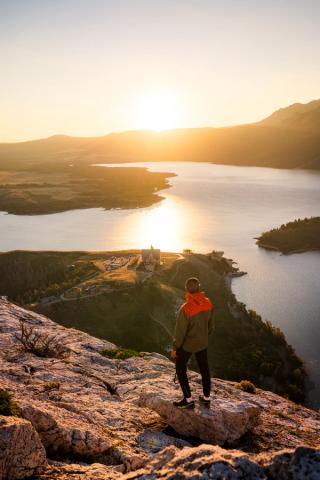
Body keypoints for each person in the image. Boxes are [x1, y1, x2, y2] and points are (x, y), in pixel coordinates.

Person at [171, 277, 214, 409]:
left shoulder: (186, 308)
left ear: (186, 290)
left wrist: (175, 348)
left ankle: (188, 399)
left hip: (189, 344)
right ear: (199, 287)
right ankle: (206, 398)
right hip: (203, 342)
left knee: (180, 368)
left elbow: (180, 332)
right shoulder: (208, 303)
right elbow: (211, 326)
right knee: (204, 368)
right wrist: (203, 337)